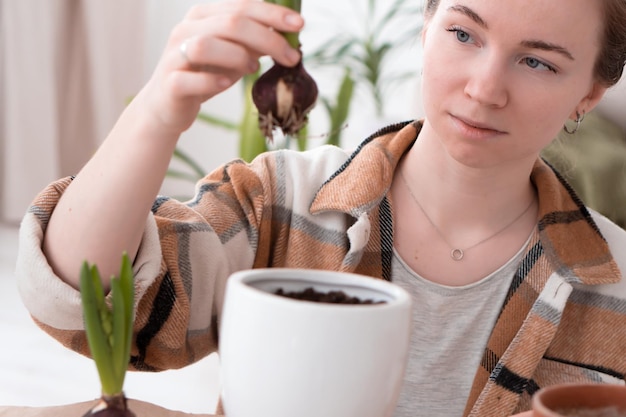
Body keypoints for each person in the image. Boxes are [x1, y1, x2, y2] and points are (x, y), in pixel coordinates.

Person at [15, 0, 626, 416]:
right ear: (426, 27)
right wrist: (157, 110)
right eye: (463, 34)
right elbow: (80, 303)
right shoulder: (285, 200)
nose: (484, 88)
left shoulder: (616, 284)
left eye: (538, 61)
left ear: (590, 95)